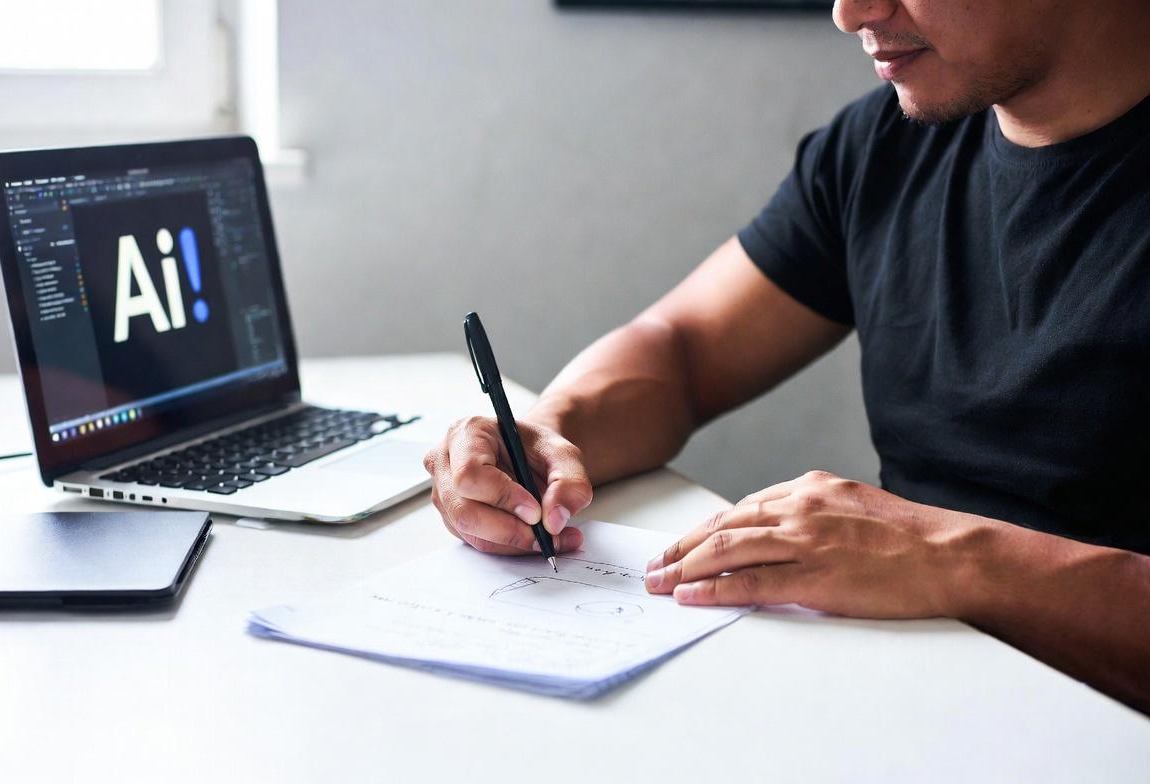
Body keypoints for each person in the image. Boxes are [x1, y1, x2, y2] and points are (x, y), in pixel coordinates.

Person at [424, 0, 1150, 713]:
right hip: (907, 692)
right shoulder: (882, 145)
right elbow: (682, 348)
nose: (849, 12)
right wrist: (548, 436)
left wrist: (957, 560)